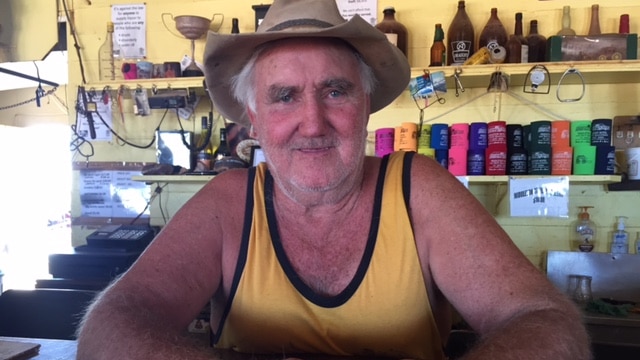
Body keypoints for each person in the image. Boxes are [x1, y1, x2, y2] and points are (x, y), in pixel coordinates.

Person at [76, 0, 591, 359]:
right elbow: (110, 328)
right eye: (283, 97)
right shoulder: (230, 203)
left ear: (367, 106)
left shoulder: (418, 191)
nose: (314, 122)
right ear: (253, 120)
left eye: (336, 91)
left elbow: (548, 324)